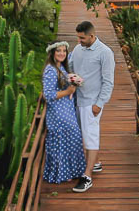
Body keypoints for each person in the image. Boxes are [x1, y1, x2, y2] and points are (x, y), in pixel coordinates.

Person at [67, 20, 114, 193]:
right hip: (76, 100)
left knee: (91, 136)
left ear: (92, 36)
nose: (79, 41)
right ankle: (96, 163)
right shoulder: (78, 49)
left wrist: (99, 104)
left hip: (91, 103)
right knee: (83, 134)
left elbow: (108, 82)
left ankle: (87, 176)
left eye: (82, 38)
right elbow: (70, 68)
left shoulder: (105, 53)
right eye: (78, 37)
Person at [41, 41, 85, 184]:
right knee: (67, 138)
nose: (62, 53)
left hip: (66, 109)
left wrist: (74, 83)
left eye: (64, 51)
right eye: (58, 51)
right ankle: (61, 173)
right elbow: (48, 95)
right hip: (58, 112)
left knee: (72, 138)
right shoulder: (50, 70)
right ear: (52, 53)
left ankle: (71, 171)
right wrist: (67, 91)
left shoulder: (61, 67)